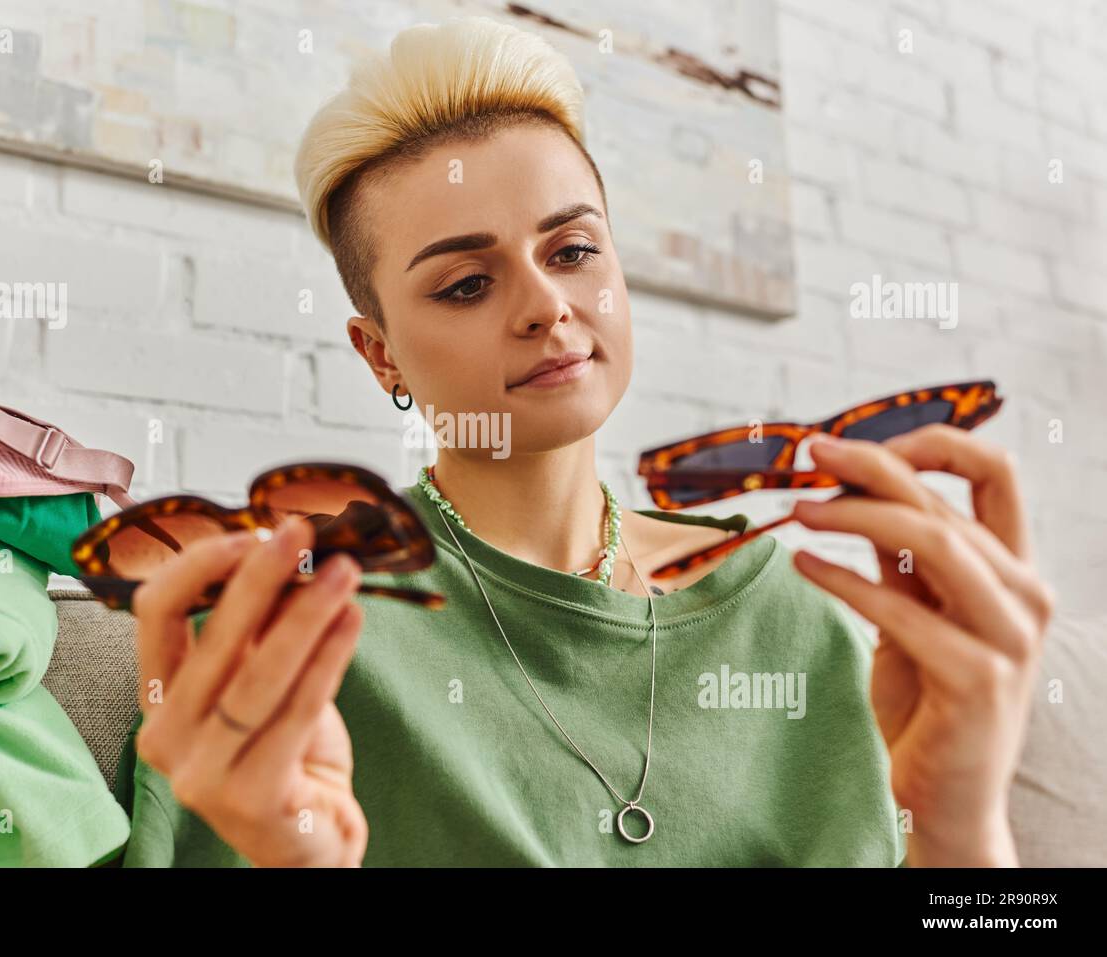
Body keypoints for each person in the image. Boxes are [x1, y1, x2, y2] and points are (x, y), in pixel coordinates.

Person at [112, 16, 1056, 867]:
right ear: (379, 355)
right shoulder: (292, 630)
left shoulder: (794, 613)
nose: (546, 306)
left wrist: (967, 827)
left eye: (572, 251)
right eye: (466, 285)